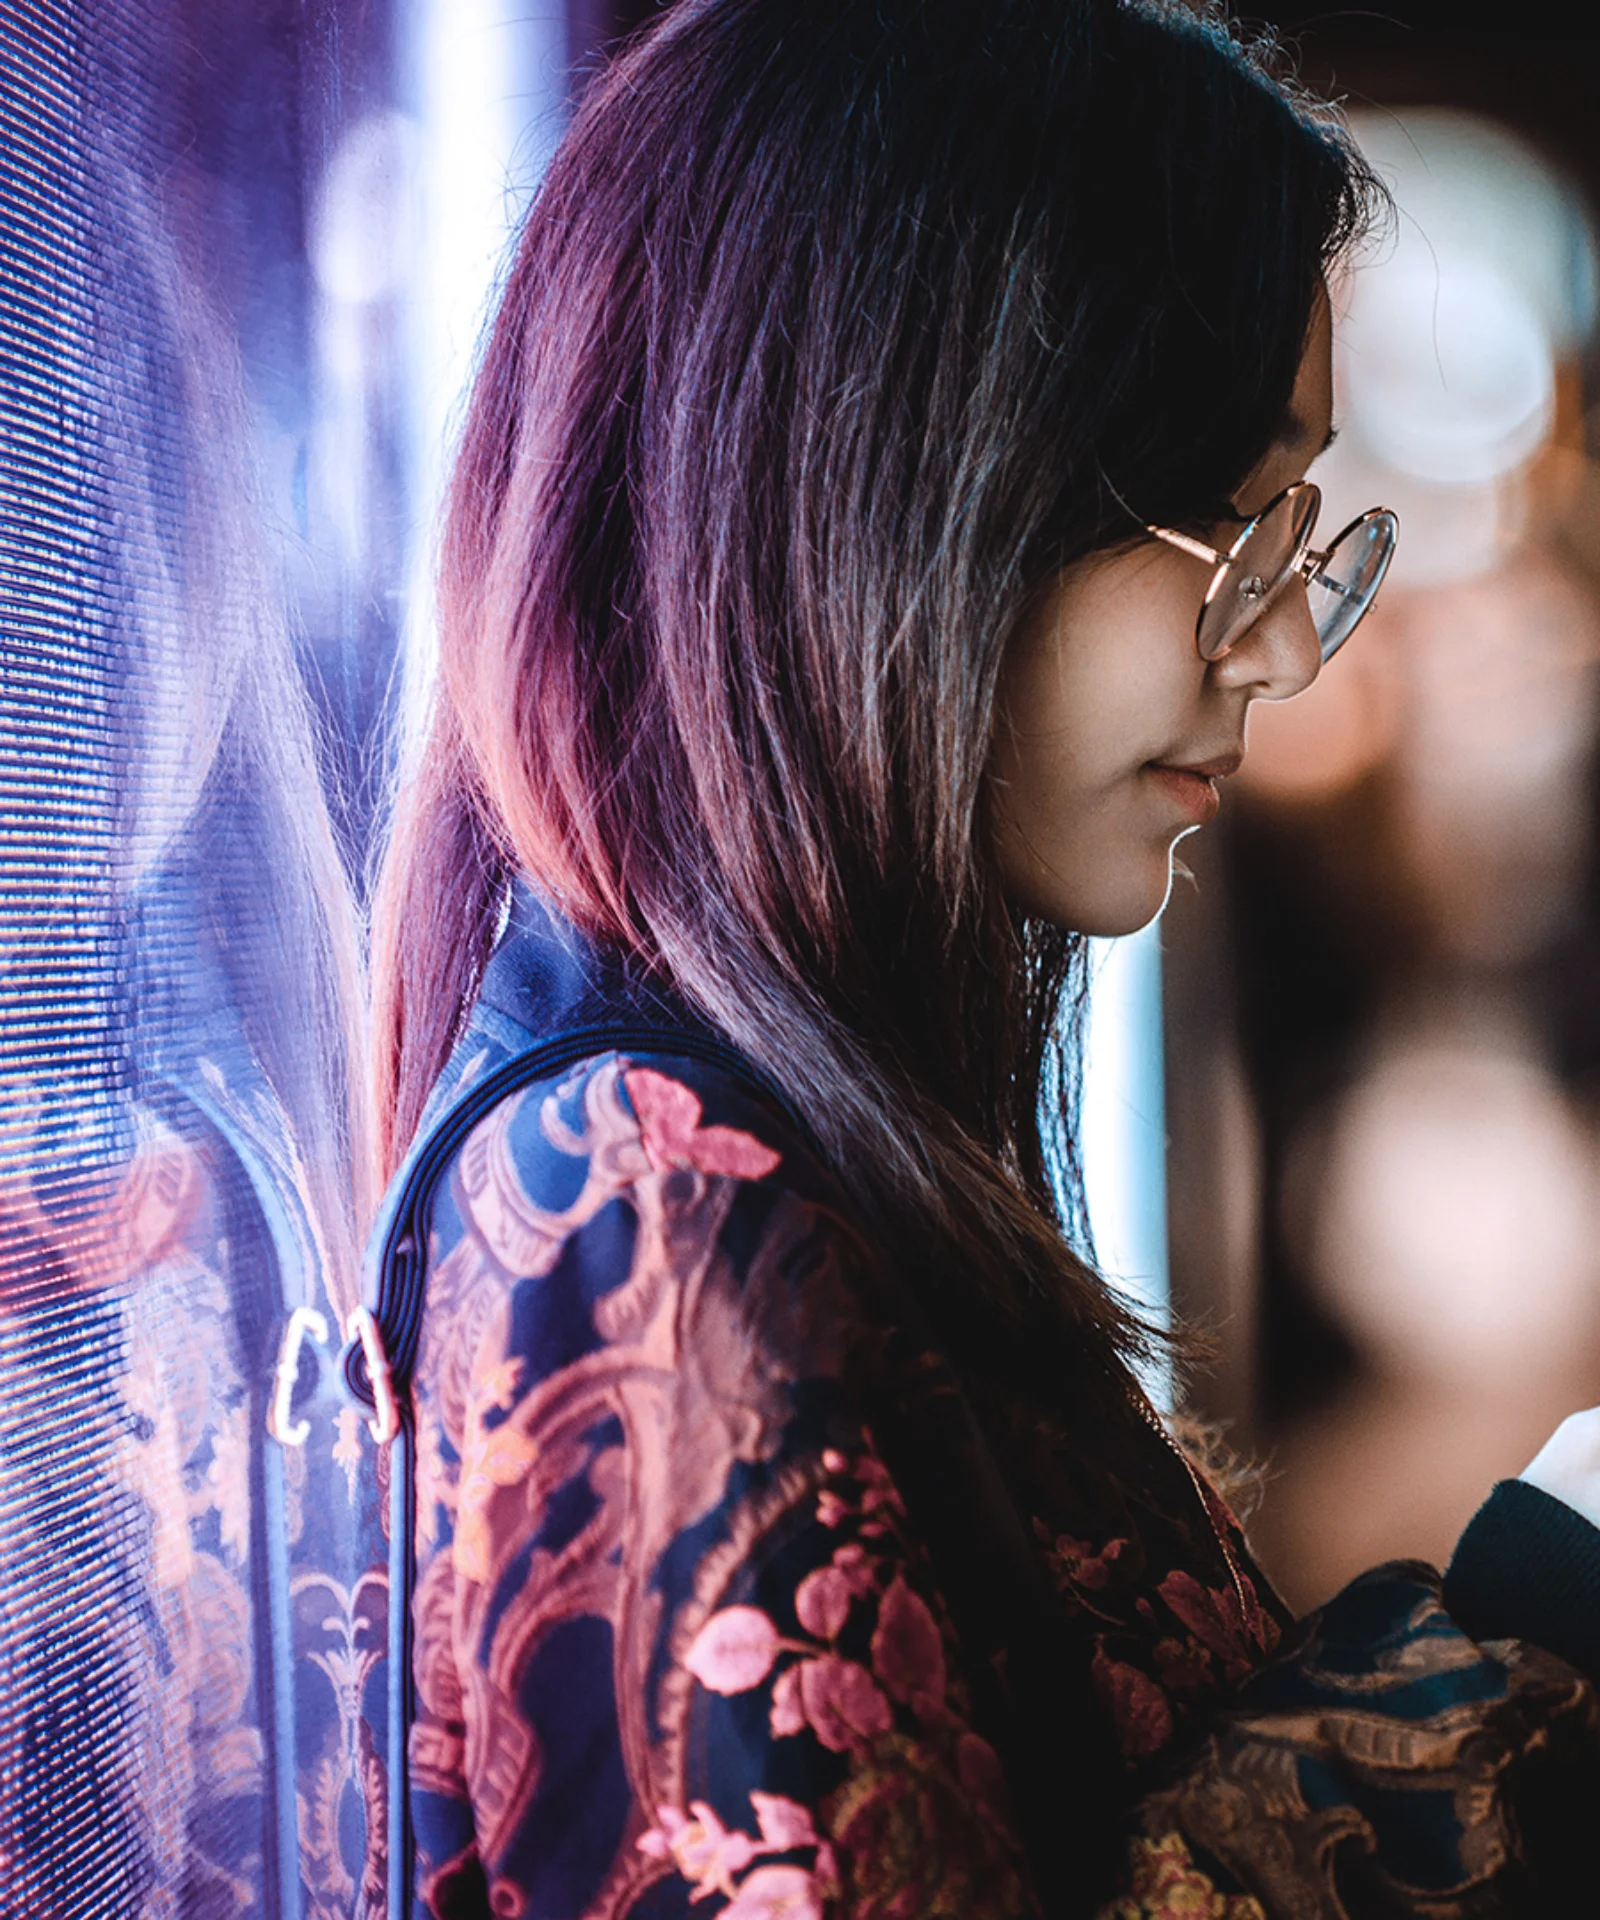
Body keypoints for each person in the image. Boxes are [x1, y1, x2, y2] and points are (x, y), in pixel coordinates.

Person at [358, 1, 1600, 1913]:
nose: (1280, 649)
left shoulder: (782, 1123)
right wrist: (1557, 1592)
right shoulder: (652, 1191)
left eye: (1304, 537)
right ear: (905, 486)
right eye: (1226, 523)